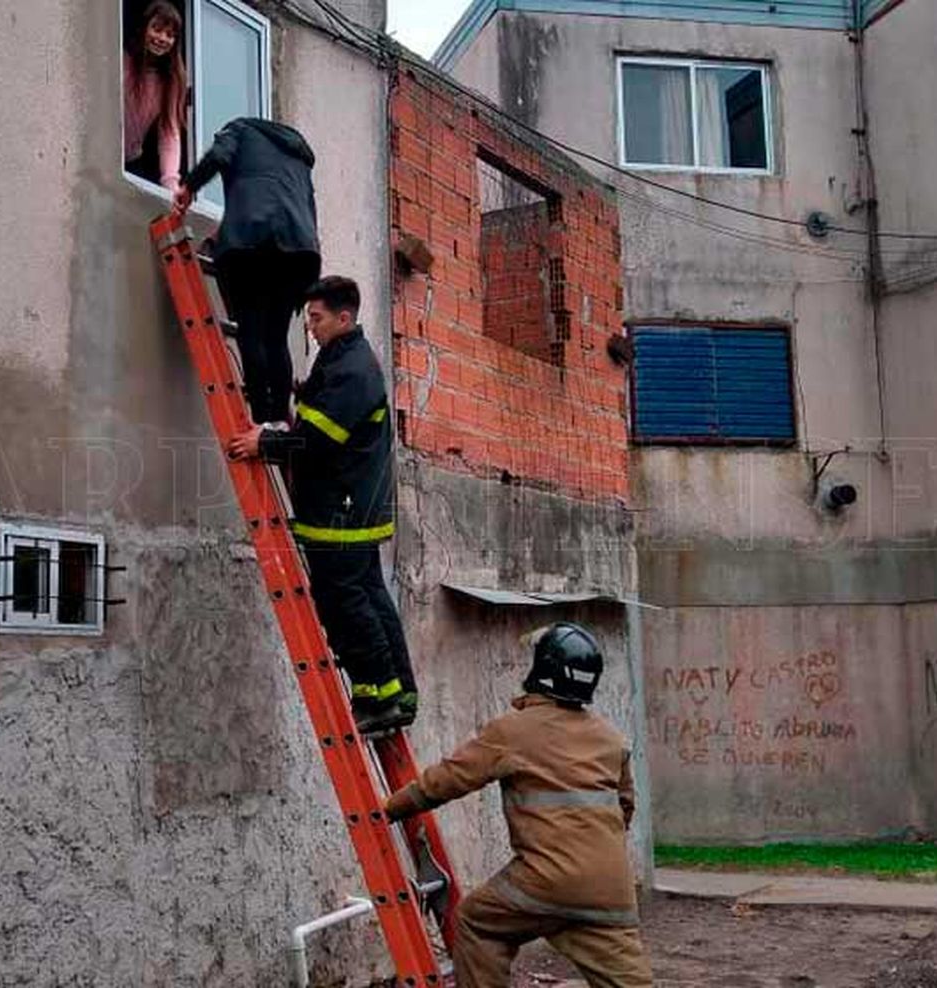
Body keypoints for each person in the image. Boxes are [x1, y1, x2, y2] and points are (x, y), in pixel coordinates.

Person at [384, 623, 654, 988]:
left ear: (541, 669)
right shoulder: (611, 738)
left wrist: (387, 809)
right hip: (610, 890)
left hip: (544, 881)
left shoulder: (513, 731)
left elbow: (447, 780)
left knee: (476, 922)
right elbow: (624, 809)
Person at [227, 277, 416, 734]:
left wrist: (264, 442)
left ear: (343, 318)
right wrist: (299, 391)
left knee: (345, 600)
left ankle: (380, 694)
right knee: (368, 594)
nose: (309, 326)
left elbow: (318, 439)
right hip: (349, 505)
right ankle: (396, 693)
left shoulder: (352, 369)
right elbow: (325, 413)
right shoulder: (343, 360)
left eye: (316, 318)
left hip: (341, 509)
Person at [174, 117, 321, 426]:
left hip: (252, 243)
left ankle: (260, 422)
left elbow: (218, 157)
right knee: (276, 338)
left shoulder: (239, 130)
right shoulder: (297, 156)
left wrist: (188, 187)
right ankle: (280, 419)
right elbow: (308, 208)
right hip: (300, 252)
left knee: (251, 330)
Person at [123, 1, 187, 193]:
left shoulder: (169, 80)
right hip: (103, 151)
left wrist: (171, 184)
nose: (162, 38)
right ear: (144, 28)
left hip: (131, 159)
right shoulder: (123, 61)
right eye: (157, 29)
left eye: (170, 35)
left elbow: (169, 132)